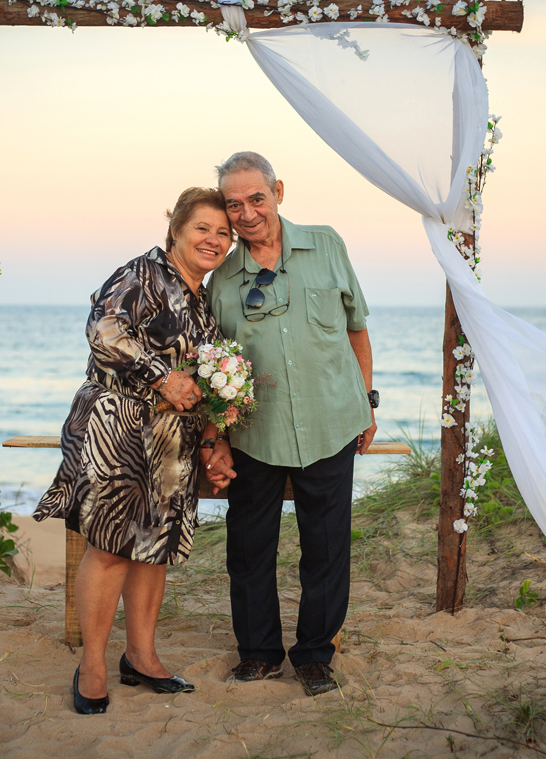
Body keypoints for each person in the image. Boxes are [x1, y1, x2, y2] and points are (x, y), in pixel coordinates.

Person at [32, 187, 235, 715]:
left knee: (155, 546)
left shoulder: (204, 300)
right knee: (111, 546)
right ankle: (93, 664)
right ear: (176, 231)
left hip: (173, 439)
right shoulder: (141, 275)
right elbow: (102, 330)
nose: (214, 240)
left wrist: (214, 440)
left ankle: (141, 656)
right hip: (117, 423)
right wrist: (161, 376)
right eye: (203, 229)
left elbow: (211, 380)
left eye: (223, 233)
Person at [202, 152, 377, 697]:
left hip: (331, 422)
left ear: (278, 190)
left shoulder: (326, 245)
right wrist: (217, 440)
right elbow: (212, 365)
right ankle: (257, 654)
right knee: (249, 549)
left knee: (326, 547)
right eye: (234, 204)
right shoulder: (222, 278)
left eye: (257, 198)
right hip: (256, 432)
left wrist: (367, 402)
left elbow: (356, 330)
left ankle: (315, 657)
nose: (247, 213)